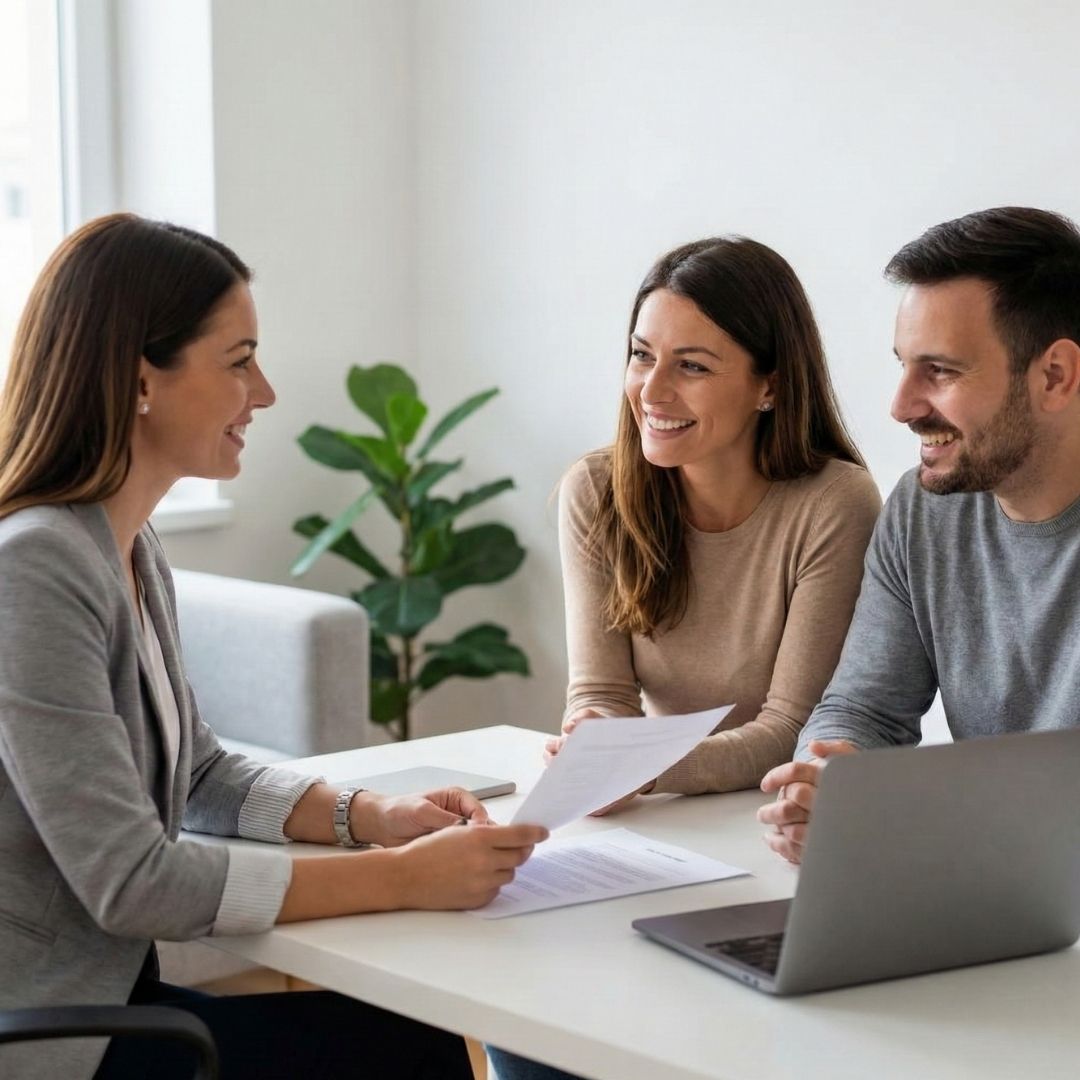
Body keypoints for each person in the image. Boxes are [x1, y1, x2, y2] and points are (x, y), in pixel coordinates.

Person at [0, 213, 547, 1080]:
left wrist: (372, 819)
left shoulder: (128, 546)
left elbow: (201, 776)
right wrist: (403, 879)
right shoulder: (33, 569)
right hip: (54, 1039)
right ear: (143, 378)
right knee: (410, 1053)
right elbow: (133, 882)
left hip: (117, 1002)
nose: (265, 392)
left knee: (412, 1038)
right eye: (239, 360)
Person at [759, 206, 1080, 864]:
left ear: (1055, 376)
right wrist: (833, 781)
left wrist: (912, 816)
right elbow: (866, 708)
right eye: (904, 365)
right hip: (1006, 900)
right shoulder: (924, 510)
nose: (901, 406)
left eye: (940, 371)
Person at [546, 236, 881, 805]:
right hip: (669, 816)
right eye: (641, 355)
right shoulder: (595, 490)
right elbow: (601, 691)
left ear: (769, 386)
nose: (652, 391)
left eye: (692, 366)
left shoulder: (835, 503)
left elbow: (791, 728)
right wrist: (595, 736)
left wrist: (642, 768)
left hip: (776, 810)